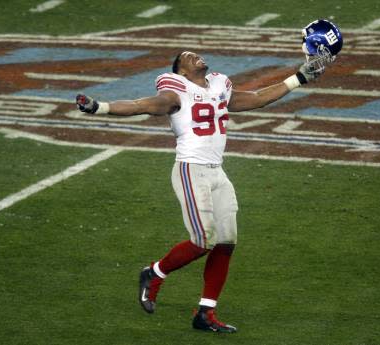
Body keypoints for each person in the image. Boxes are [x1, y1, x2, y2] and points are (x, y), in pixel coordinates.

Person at [76, 51, 325, 333]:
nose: (195, 56)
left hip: (217, 171)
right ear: (180, 72)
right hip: (191, 170)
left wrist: (299, 78)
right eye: (187, 57)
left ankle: (206, 313)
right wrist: (101, 107)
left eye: (196, 53)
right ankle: (153, 273)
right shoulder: (176, 90)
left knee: (226, 241)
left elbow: (256, 98)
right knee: (203, 239)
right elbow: (144, 105)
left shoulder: (219, 84)